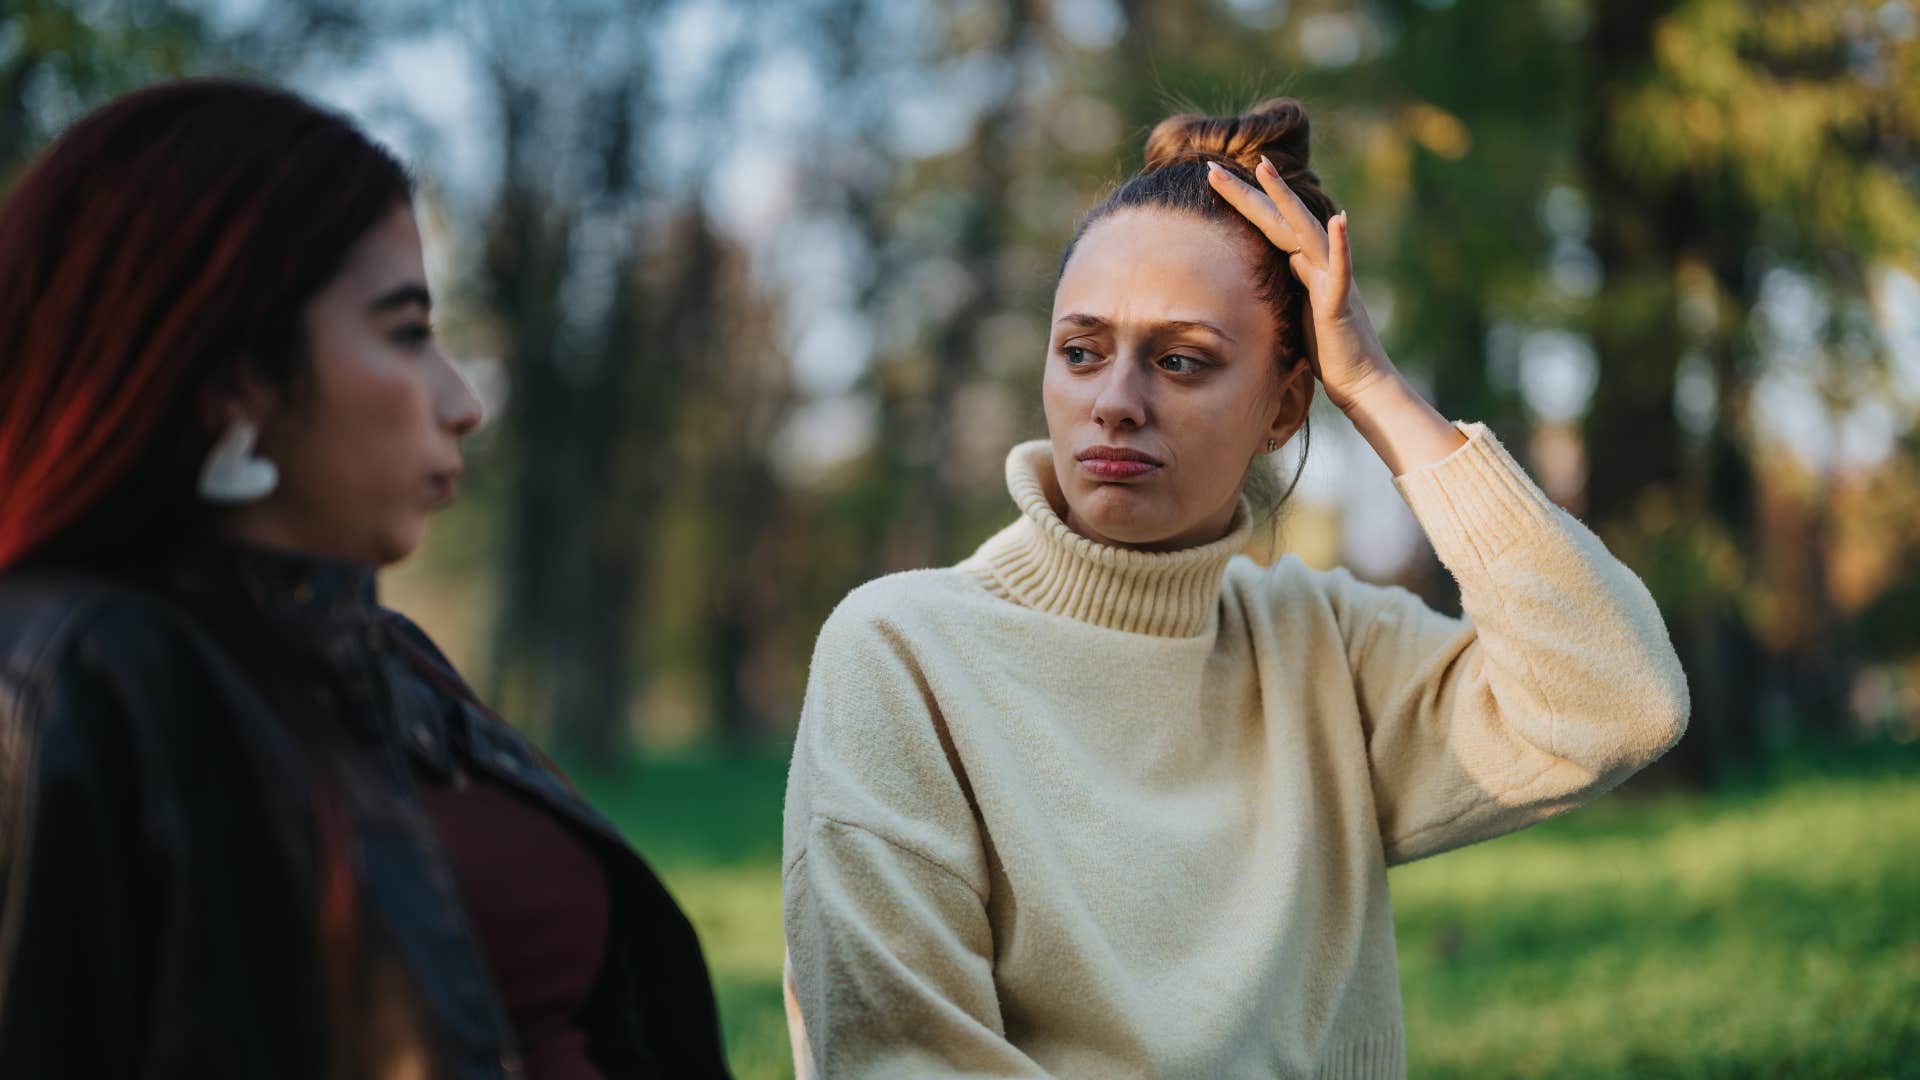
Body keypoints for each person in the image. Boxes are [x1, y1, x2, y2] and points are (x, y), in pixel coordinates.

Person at [781, 98, 1689, 1078]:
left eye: (1181, 361)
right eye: (1080, 350)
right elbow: (902, 1062)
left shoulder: (1325, 649)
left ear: (1283, 408)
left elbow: (1616, 703)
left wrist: (1378, 391)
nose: (1115, 403)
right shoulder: (902, 652)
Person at [0, 80, 730, 1079]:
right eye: (405, 332)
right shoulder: (65, 679)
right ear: (232, 375)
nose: (462, 401)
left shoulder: (385, 660)